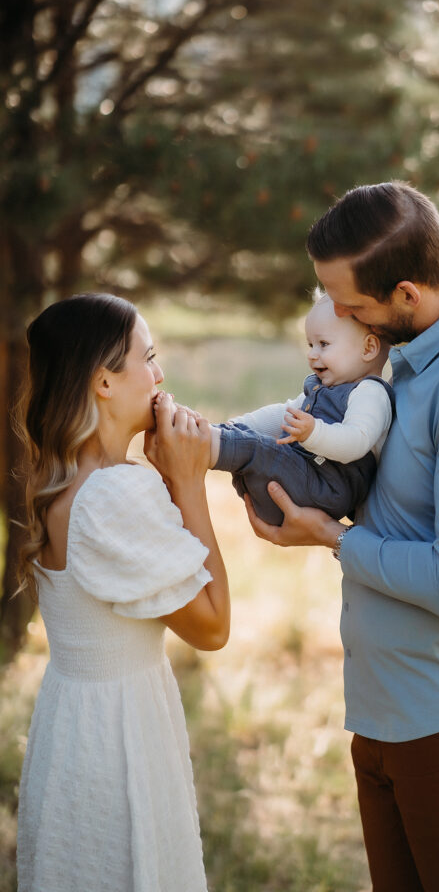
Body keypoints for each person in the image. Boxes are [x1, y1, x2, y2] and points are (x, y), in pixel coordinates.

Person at [243, 181, 439, 892]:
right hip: (394, 718)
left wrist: (331, 536)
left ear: (406, 296)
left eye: (353, 307)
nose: (344, 321)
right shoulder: (404, 360)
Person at [15, 292, 230, 892]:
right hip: (118, 735)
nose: (160, 375)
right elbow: (213, 627)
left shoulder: (68, 482)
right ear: (104, 381)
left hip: (71, 725)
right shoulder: (113, 496)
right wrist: (188, 485)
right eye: (149, 357)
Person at [209, 291, 393, 525]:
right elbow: (284, 415)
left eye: (323, 344)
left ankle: (201, 443)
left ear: (368, 349)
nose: (312, 354)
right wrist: (239, 425)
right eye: (310, 344)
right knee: (247, 442)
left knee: (253, 449)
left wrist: (313, 433)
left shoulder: (370, 392)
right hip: (301, 478)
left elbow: (356, 441)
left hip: (328, 486)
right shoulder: (322, 387)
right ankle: (215, 434)